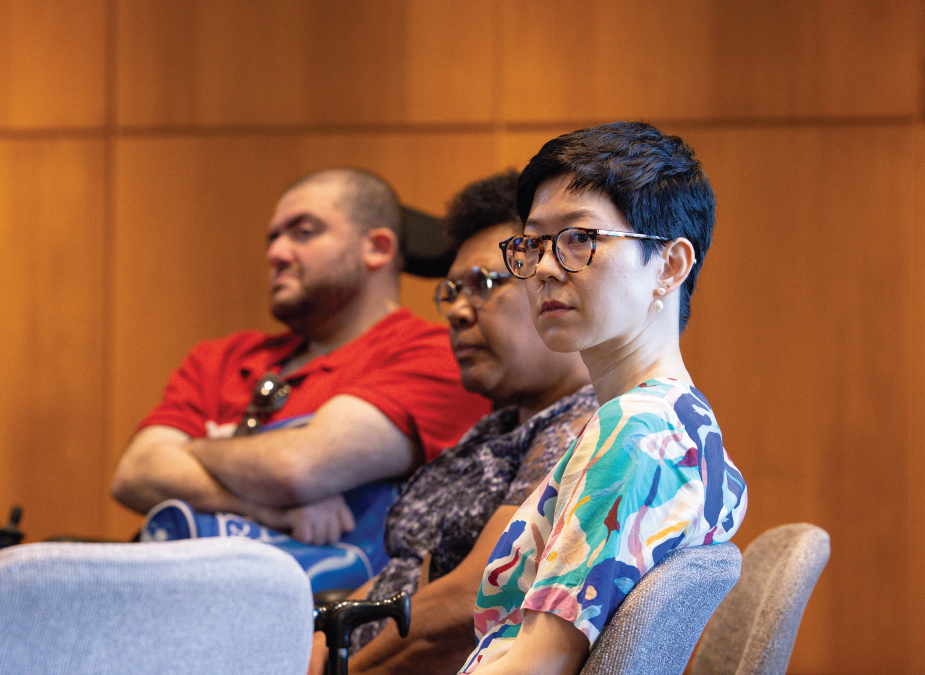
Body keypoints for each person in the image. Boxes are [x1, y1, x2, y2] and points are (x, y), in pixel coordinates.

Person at [111, 168, 490, 592]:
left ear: (377, 248)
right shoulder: (220, 358)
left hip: (325, 632)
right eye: (273, 238)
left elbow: (296, 469)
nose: (276, 252)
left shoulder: (436, 353)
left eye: (303, 233)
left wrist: (192, 450)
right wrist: (274, 513)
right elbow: (135, 473)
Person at [459, 122, 748, 674]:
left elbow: (538, 666)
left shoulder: (637, 433)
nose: (542, 268)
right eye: (533, 243)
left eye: (578, 239)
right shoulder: (686, 423)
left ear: (670, 265)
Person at [307, 170, 599, 675]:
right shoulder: (498, 427)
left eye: (484, 284)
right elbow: (396, 577)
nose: (459, 311)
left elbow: (473, 603)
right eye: (452, 291)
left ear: (550, 289)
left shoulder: (578, 427)